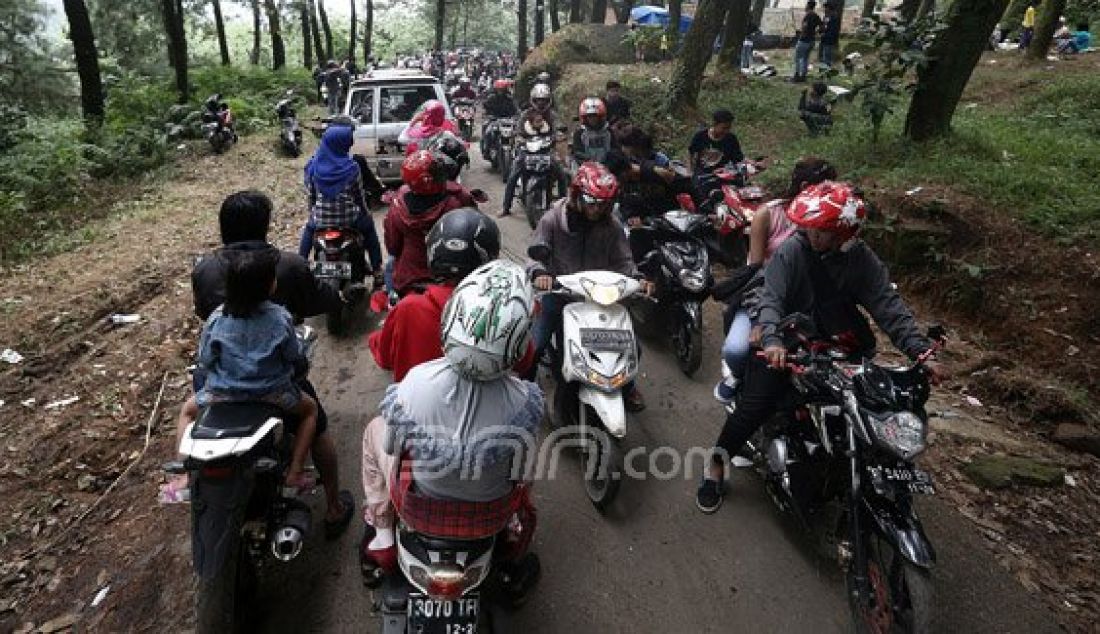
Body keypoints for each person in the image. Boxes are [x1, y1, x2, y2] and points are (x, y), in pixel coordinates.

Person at [695, 181, 947, 513]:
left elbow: (888, 306)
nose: (811, 232)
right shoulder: (794, 249)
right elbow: (772, 297)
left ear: (843, 232)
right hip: (788, 340)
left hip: (838, 345)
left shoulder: (862, 260)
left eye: (821, 229)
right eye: (810, 226)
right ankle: (715, 465)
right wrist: (770, 338)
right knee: (754, 405)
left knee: (867, 410)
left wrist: (919, 350)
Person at [359, 260, 544, 599]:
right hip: (492, 515)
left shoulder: (416, 382)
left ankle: (381, 528)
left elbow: (393, 448)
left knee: (376, 429)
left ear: (451, 321)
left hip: (419, 509)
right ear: (517, 341)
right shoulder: (524, 400)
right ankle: (512, 533)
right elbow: (523, 470)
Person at [189, 191, 354, 535]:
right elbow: (309, 315)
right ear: (264, 226)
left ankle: (188, 471)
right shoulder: (287, 266)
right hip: (274, 388)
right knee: (316, 424)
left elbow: (204, 322)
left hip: (220, 385)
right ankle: (335, 507)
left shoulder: (205, 270)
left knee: (192, 409)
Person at [712, 157, 838, 404]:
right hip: (764, 294)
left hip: (809, 300)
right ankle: (736, 377)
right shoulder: (769, 215)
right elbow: (755, 270)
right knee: (735, 350)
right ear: (804, 187)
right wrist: (762, 320)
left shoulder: (830, 221)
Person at [526, 162, 651, 411]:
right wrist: (540, 272)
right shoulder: (553, 219)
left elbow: (624, 260)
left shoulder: (612, 226)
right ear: (576, 195)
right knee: (536, 345)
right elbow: (534, 255)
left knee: (631, 345)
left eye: (604, 203)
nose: (598, 209)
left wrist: (638, 279)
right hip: (559, 293)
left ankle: (627, 386)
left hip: (597, 296)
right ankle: (521, 390)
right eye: (592, 202)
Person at [369, 208, 508, 380]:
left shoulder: (408, 308)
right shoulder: (504, 311)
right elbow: (524, 360)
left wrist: (375, 339)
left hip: (420, 402)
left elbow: (385, 359)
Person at [296, 125, 384, 285]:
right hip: (349, 220)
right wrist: (366, 213)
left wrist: (313, 212)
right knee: (369, 229)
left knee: (309, 229)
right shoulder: (352, 167)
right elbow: (359, 196)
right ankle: (377, 270)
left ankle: (300, 265)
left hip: (322, 220)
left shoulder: (314, 166)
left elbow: (312, 195)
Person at [384, 150, 480, 296]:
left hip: (409, 276)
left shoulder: (398, 204)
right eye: (435, 172)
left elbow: (392, 246)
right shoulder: (455, 201)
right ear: (428, 180)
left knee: (390, 263)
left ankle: (391, 300)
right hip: (448, 274)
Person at [500, 83, 569, 218]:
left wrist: (558, 135)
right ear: (533, 100)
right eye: (538, 100)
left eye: (544, 100)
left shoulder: (552, 116)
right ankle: (506, 207)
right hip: (527, 150)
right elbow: (518, 130)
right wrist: (519, 138)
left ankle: (564, 207)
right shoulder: (525, 114)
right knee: (513, 175)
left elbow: (559, 128)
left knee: (562, 175)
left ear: (549, 100)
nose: (541, 103)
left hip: (546, 151)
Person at [689, 109, 745, 198]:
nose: (726, 131)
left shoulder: (731, 139)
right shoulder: (700, 136)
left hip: (724, 173)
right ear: (715, 124)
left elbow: (738, 159)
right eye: (724, 128)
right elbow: (692, 155)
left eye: (729, 128)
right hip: (704, 175)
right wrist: (692, 172)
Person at [571, 97, 617, 166]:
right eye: (589, 117)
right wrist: (589, 163)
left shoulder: (608, 132)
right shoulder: (579, 133)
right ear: (584, 118)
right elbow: (577, 153)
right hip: (586, 169)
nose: (593, 119)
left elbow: (615, 150)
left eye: (595, 116)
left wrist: (608, 164)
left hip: (608, 167)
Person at [791, 1, 823, 82]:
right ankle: (803, 76)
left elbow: (805, 26)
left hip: (804, 40)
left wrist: (802, 33)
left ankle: (797, 76)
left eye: (806, 5)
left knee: (797, 58)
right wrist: (815, 32)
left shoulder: (808, 15)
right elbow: (822, 27)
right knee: (805, 58)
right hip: (812, 40)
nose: (805, 7)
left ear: (808, 6)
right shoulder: (816, 16)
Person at [819, 3, 841, 68]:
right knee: (824, 56)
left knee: (827, 57)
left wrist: (825, 34)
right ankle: (824, 70)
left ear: (829, 8)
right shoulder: (826, 16)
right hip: (824, 39)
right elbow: (824, 26)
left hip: (829, 40)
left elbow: (833, 30)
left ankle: (827, 70)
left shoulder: (835, 17)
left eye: (826, 8)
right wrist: (821, 31)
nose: (824, 9)